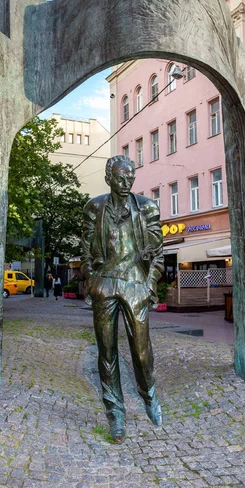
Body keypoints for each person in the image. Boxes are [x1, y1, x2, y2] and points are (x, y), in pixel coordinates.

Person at [81, 155, 164, 443]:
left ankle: (148, 391)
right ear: (109, 178)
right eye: (121, 177)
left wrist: (148, 284)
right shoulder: (95, 207)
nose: (127, 182)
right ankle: (115, 412)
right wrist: (91, 280)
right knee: (106, 352)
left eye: (131, 177)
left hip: (135, 285)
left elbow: (158, 253)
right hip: (104, 285)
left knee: (141, 353)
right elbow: (86, 250)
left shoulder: (147, 207)